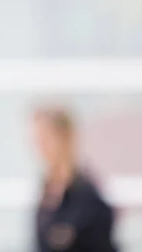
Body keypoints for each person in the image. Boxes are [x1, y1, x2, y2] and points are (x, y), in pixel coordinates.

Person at [31, 106, 117, 252]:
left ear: (65, 138)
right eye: (36, 140)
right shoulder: (46, 190)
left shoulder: (87, 195)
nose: (39, 147)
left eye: (45, 139)